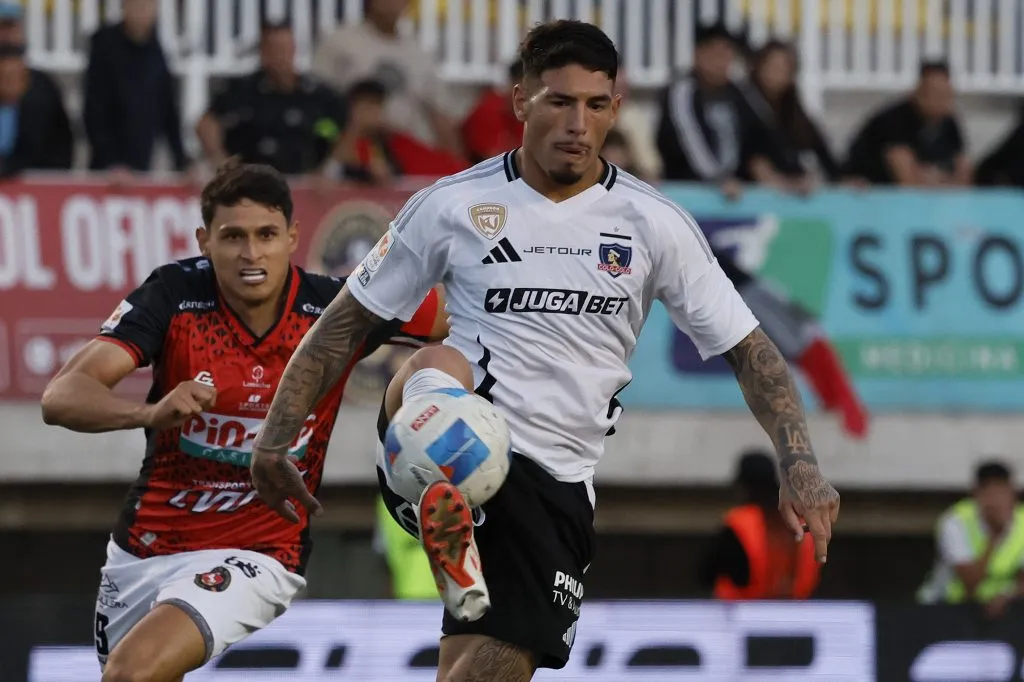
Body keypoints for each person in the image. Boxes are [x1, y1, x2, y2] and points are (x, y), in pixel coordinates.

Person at [249, 20, 840, 681]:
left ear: (616, 109)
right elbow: (344, 326)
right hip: (445, 438)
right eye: (559, 101)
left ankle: (459, 545)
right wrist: (276, 438)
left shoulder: (653, 223)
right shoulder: (451, 205)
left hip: (556, 478)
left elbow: (750, 350)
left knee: (485, 665)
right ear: (521, 101)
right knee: (434, 360)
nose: (577, 123)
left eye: (594, 105)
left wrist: (801, 462)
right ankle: (451, 495)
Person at [39, 161, 447, 682]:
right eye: (233, 237)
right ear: (205, 241)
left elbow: (456, 312)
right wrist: (150, 412)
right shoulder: (173, 296)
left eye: (267, 235)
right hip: (144, 547)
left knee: (132, 672)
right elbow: (62, 397)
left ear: (292, 237)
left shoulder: (337, 308)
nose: (252, 254)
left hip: (260, 549)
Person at [700, 450, 820, 599]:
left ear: (743, 487)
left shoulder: (740, 523)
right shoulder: (803, 524)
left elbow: (706, 574)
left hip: (744, 614)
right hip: (795, 615)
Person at [918, 460, 1024, 618]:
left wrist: (1006, 597)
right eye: (990, 494)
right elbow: (970, 582)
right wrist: (994, 537)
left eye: (1002, 492)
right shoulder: (956, 521)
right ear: (977, 495)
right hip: (946, 607)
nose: (997, 502)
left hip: (1001, 609)